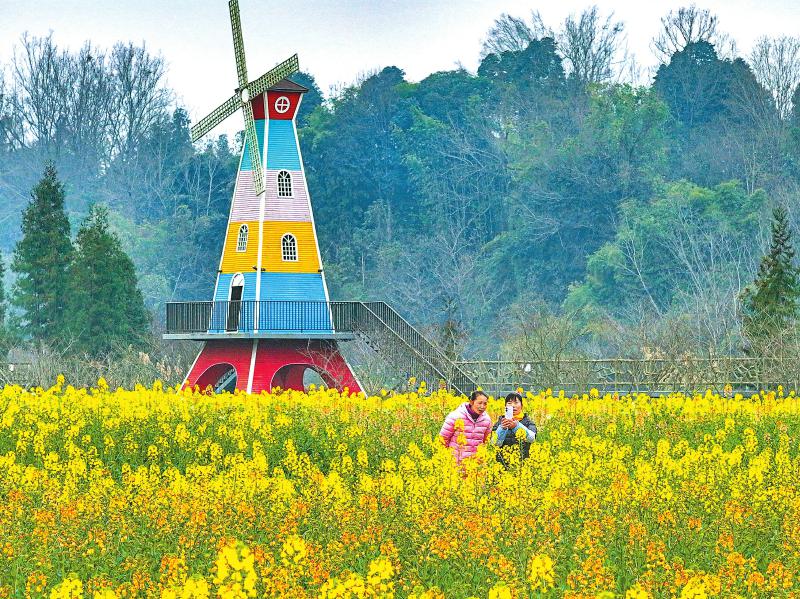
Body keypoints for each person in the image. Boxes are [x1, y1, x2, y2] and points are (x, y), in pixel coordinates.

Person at [439, 390, 493, 463]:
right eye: (479, 403)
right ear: (471, 402)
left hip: (476, 464)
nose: (482, 406)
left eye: (485, 404)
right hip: (456, 463)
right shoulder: (455, 416)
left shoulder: (486, 420)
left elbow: (486, 441)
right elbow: (443, 439)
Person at [493, 392, 536, 466]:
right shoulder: (500, 423)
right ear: (505, 407)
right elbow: (494, 443)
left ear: (521, 406)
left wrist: (516, 426)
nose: (513, 406)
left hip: (522, 464)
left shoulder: (528, 422)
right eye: (509, 403)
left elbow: (532, 438)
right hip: (503, 464)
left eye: (516, 403)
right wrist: (502, 428)